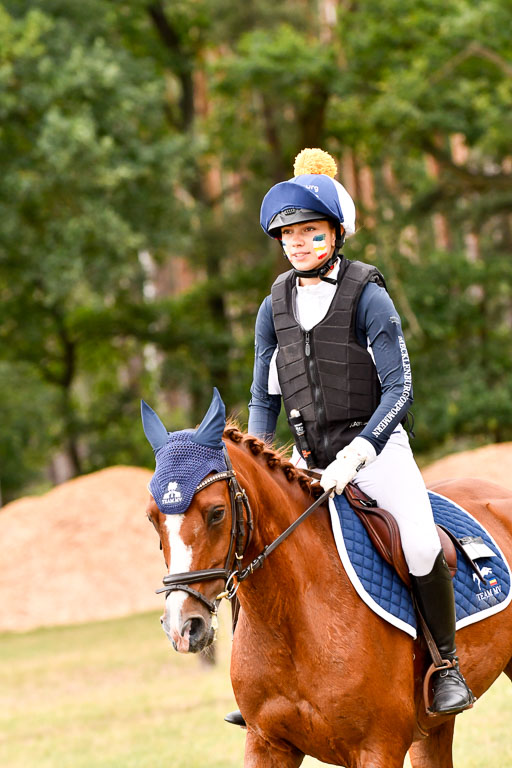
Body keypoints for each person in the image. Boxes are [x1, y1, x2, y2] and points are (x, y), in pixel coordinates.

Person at [225, 148, 473, 727]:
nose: (297, 243)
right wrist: (256, 465)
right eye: (288, 235)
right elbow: (263, 398)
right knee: (251, 546)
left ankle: (446, 665)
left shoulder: (368, 295)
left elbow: (400, 389)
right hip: (307, 461)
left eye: (310, 232)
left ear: (336, 233)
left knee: (419, 544)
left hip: (377, 452)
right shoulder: (271, 308)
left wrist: (360, 453)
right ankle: (258, 681)